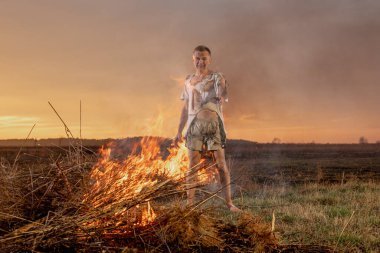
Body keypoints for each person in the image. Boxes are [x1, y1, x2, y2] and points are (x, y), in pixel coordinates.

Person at [174, 45, 240, 212]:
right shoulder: (188, 80)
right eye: (197, 58)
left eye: (204, 58)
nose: (200, 61)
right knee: (192, 165)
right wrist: (178, 131)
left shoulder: (217, 77)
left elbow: (221, 93)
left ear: (209, 60)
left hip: (213, 125)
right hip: (193, 126)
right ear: (193, 59)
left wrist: (219, 88)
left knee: (220, 164)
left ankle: (229, 204)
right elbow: (184, 108)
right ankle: (190, 206)